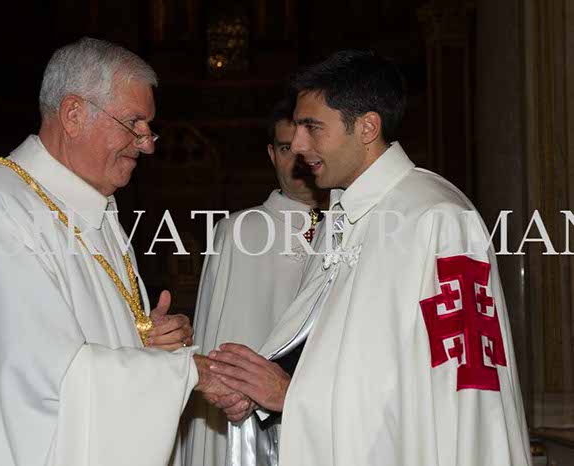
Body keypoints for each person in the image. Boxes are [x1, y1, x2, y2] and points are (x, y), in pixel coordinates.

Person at [0, 37, 231, 466]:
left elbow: (68, 340)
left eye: (148, 127)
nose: (148, 144)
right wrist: (188, 372)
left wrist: (143, 340)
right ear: (73, 114)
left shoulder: (94, 207)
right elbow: (37, 380)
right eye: (134, 124)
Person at [208, 50, 532, 466]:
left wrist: (291, 396)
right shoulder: (341, 216)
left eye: (312, 127)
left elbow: (463, 392)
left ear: (367, 127)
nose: (299, 146)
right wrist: (261, 391)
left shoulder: (437, 218)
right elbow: (335, 352)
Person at [184, 99, 328, 466]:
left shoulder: (356, 229)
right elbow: (218, 341)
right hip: (247, 436)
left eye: (307, 144)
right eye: (286, 148)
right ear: (272, 154)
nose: (298, 159)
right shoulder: (239, 232)